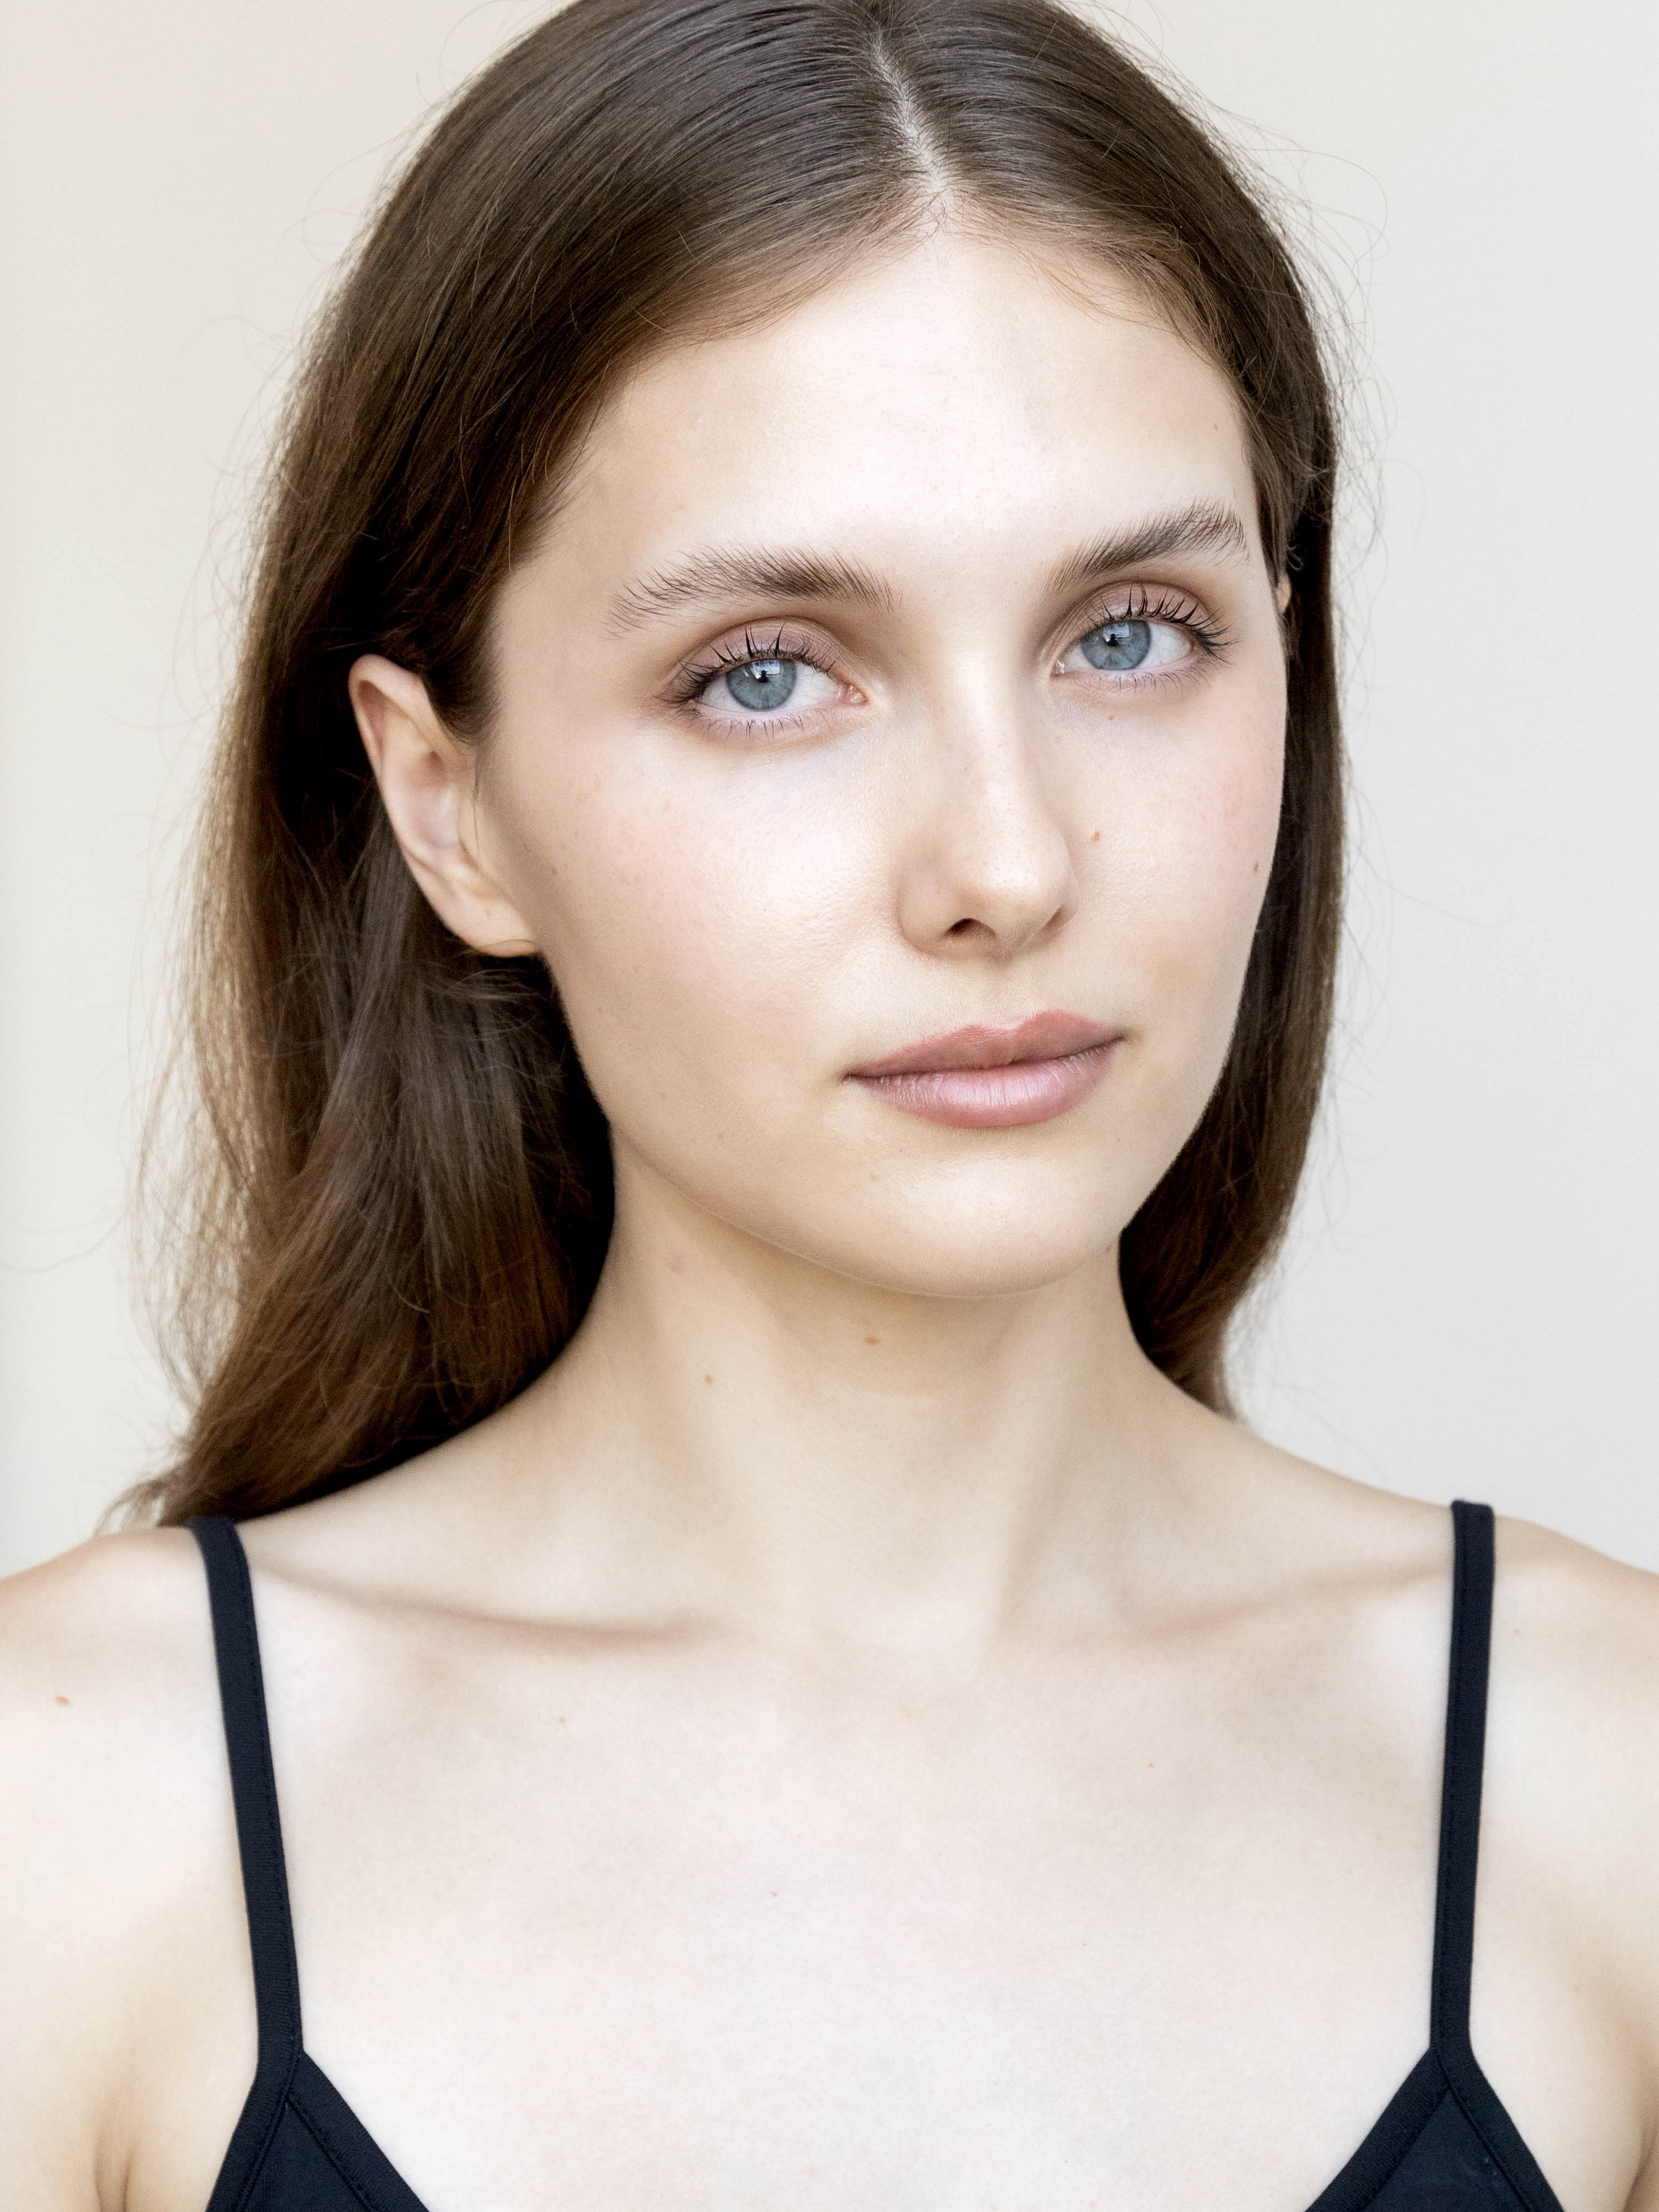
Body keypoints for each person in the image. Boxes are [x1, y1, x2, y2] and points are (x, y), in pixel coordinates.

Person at [4, 0, 1657, 2205]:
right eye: (767, 673)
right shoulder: (75, 1824)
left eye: (1129, 632)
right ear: (445, 802)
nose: (1006, 863)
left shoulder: (1610, 1791)